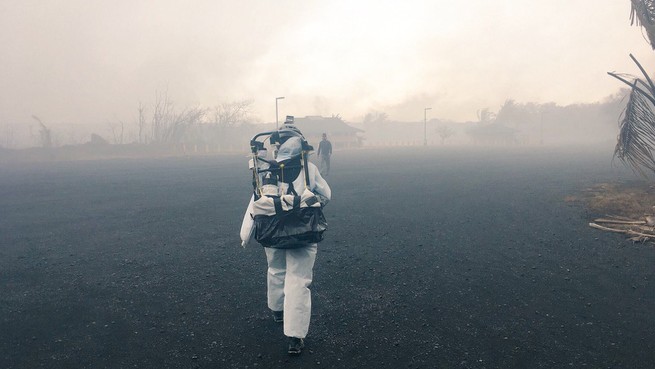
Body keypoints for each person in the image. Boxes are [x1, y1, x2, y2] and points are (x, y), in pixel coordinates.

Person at [240, 124, 331, 355]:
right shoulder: (308, 168)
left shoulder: (266, 170)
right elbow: (326, 195)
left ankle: (277, 309)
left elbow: (255, 201)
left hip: (272, 230)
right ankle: (295, 336)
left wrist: (246, 234)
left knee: (276, 269)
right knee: (298, 280)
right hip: (303, 231)